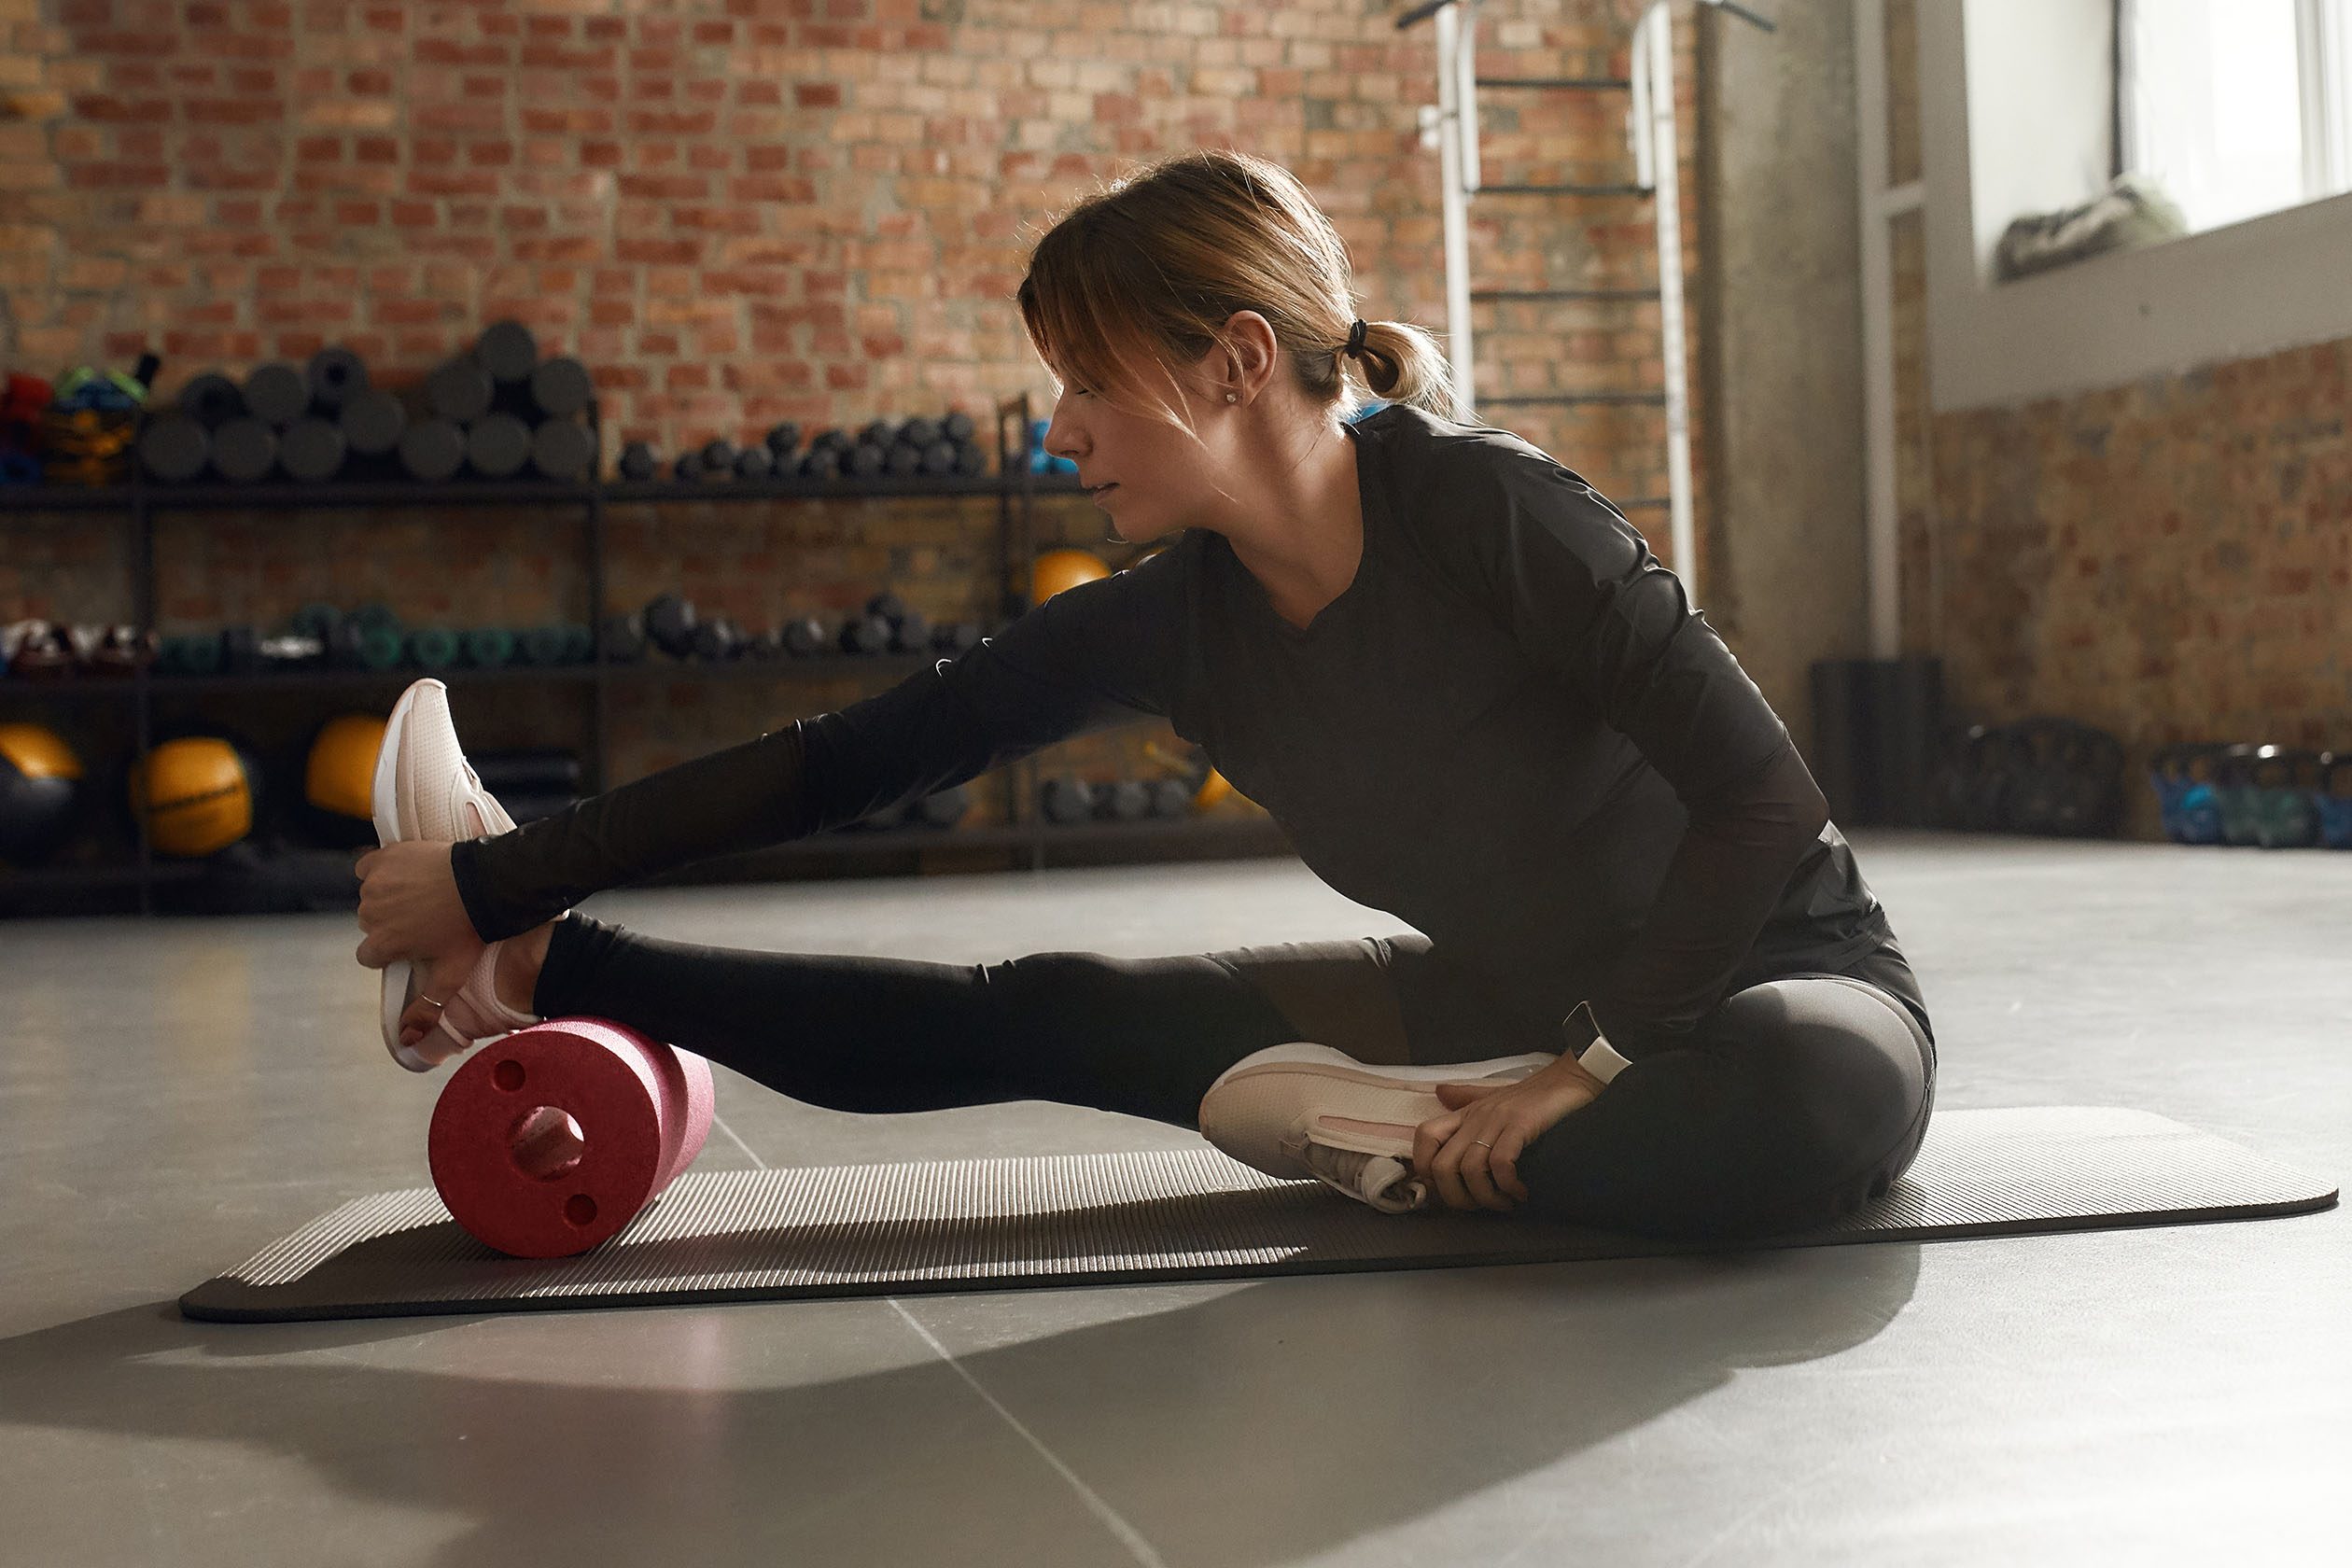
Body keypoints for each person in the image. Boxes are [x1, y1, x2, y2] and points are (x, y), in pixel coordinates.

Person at [355, 148, 1935, 1239]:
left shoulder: (1491, 511)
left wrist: (1585, 1067)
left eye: (1091, 382)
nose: (1061, 429)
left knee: (1800, 1110)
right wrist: (497, 883)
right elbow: (847, 762)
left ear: (1238, 362)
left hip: (1761, 982)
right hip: (1492, 1001)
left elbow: (1763, 803)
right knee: (1043, 1013)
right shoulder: (1167, 622)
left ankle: (1398, 1131)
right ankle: (544, 965)